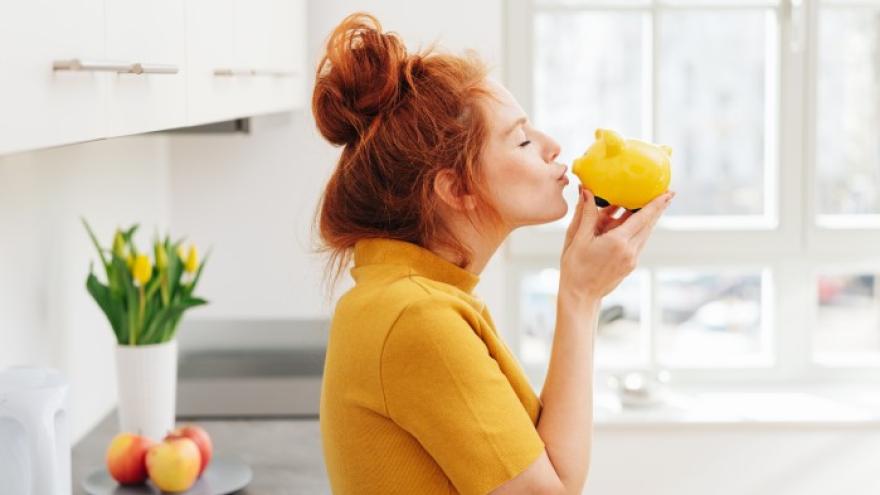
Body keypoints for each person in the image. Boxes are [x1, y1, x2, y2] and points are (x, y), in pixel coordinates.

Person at [312, 12, 675, 495]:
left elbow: (546, 469)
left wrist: (580, 293)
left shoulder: (408, 298)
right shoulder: (417, 318)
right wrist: (581, 296)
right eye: (522, 139)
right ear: (456, 187)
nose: (552, 147)